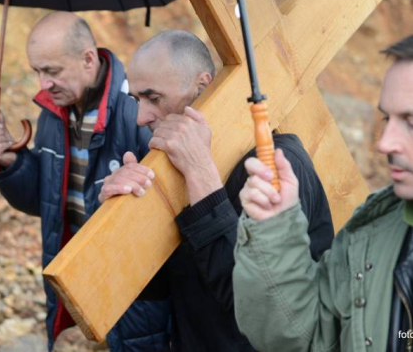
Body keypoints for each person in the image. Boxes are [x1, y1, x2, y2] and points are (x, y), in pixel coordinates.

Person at [99, 29, 334, 351]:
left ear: (203, 87)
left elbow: (259, 309)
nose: (140, 117)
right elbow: (158, 288)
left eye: (153, 98)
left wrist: (201, 176)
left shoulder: (278, 164)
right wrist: (120, 221)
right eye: (135, 99)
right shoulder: (171, 166)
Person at [0, 12, 170, 351]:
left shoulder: (138, 112)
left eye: (51, 71)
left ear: (87, 59)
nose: (43, 84)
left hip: (132, 295)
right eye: (37, 71)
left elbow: (166, 216)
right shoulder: (52, 115)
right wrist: (12, 164)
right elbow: (46, 200)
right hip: (71, 281)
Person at [233, 35, 413, 351]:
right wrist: (276, 228)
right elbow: (307, 338)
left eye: (410, 122)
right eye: (388, 118)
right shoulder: (371, 232)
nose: (385, 143)